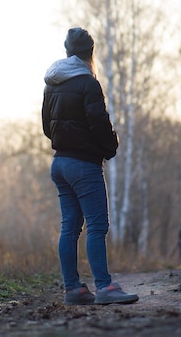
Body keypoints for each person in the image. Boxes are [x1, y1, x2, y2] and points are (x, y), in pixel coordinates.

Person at [42, 27, 138, 306]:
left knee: (69, 228)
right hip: (83, 165)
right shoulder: (88, 82)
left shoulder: (52, 82)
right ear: (90, 53)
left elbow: (47, 127)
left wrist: (66, 142)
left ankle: (73, 289)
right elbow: (98, 122)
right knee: (97, 226)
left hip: (59, 163)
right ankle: (105, 287)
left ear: (67, 52)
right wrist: (110, 148)